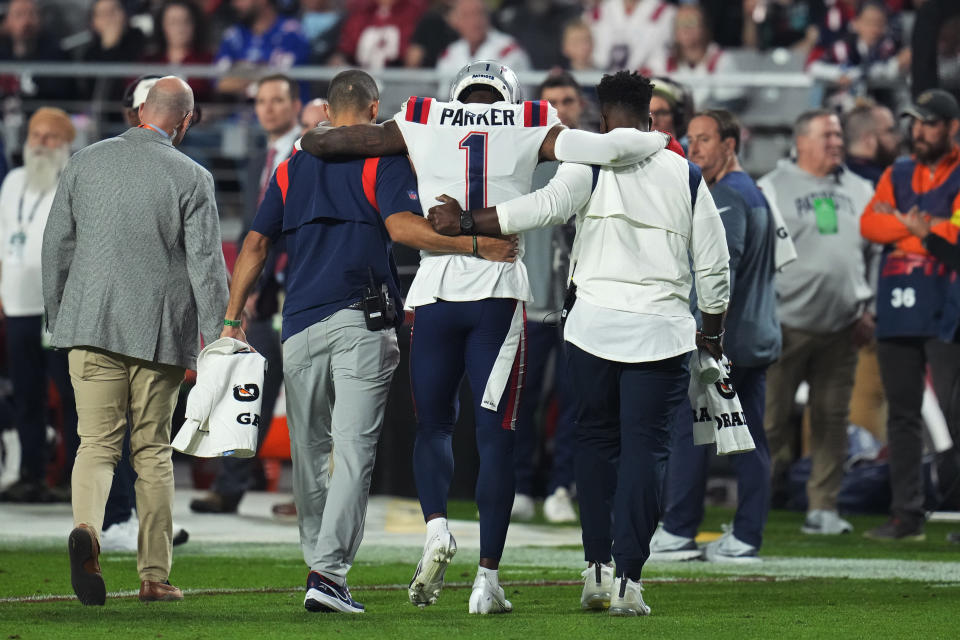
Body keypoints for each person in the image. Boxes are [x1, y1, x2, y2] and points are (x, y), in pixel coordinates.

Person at [299, 60, 669, 614]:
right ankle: (486, 579)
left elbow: (329, 145)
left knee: (434, 426)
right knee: (498, 438)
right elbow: (606, 153)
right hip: (498, 295)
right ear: (507, 94)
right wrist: (657, 139)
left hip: (433, 291)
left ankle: (436, 529)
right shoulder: (532, 117)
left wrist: (314, 133)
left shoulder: (423, 115)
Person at [426, 70, 730, 617]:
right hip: (661, 334)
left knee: (594, 445)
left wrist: (464, 221)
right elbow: (714, 268)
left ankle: (595, 571)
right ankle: (629, 584)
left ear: (601, 118)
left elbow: (538, 209)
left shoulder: (586, 163)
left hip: (591, 331)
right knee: (646, 453)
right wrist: (711, 335)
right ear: (652, 117)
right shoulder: (686, 175)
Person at [225, 68, 518, 614]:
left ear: (331, 110)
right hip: (360, 318)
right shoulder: (380, 158)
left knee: (309, 455)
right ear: (374, 107)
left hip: (299, 325)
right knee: (353, 450)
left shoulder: (291, 165)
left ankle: (319, 566)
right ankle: (328, 573)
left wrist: (230, 318)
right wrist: (477, 245)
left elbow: (256, 244)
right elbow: (404, 228)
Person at [42, 77, 228, 605]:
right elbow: (207, 270)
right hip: (158, 334)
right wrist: (217, 340)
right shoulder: (193, 177)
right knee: (151, 453)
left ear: (139, 111)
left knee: (96, 444)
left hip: (89, 326)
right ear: (186, 120)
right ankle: (154, 576)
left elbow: (56, 244)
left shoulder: (85, 161)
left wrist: (61, 317)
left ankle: (88, 531)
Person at [651, 109, 779, 562]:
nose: (696, 146)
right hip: (757, 334)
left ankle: (679, 530)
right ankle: (745, 535)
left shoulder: (726, 195)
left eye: (706, 139)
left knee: (695, 432)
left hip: (728, 343)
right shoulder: (758, 193)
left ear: (731, 143)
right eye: (692, 138)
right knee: (748, 439)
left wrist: (707, 335)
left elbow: (722, 268)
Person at [758, 109, 876, 535]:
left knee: (831, 420)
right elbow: (755, 258)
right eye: (827, 135)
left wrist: (870, 307)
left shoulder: (861, 189)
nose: (837, 142)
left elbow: (876, 252)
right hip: (784, 324)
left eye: (839, 135)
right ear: (802, 141)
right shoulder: (771, 188)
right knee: (770, 421)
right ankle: (758, 504)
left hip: (844, 326)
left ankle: (824, 507)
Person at [190, 74, 300, 516]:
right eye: (262, 101)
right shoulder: (260, 158)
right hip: (264, 295)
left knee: (306, 400)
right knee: (247, 390)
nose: (269, 108)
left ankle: (306, 494)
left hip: (294, 288)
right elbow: (256, 228)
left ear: (295, 104)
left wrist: (263, 282)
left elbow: (292, 229)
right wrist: (248, 287)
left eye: (278, 100)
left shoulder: (305, 152)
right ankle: (231, 484)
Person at [860, 89, 960, 541]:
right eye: (914, 123)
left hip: (947, 309)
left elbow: (955, 236)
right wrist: (917, 226)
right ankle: (906, 515)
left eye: (929, 123)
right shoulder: (898, 171)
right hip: (898, 308)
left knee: (955, 414)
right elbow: (870, 224)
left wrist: (902, 226)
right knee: (902, 415)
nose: (918, 132)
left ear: (951, 127)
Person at [510, 72, 585, 524]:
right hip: (532, 299)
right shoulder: (523, 159)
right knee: (523, 398)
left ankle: (561, 485)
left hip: (579, 306)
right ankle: (521, 484)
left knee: (575, 399)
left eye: (568, 99)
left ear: (580, 105)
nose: (560, 107)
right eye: (551, 100)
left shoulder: (593, 158)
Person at [0, 108, 78, 504]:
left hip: (59, 310)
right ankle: (30, 474)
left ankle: (72, 479)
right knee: (27, 395)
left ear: (66, 145)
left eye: (50, 137)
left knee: (71, 397)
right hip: (16, 303)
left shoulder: (75, 182)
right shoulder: (13, 181)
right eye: (35, 134)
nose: (40, 143)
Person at [215, 0, 310, 97]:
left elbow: (281, 80)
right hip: (240, 110)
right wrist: (260, 72)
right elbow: (219, 82)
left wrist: (241, 72)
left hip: (285, 109)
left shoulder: (291, 32)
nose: (235, 4)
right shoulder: (233, 35)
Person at [435, 0, 530, 84]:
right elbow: (443, 94)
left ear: (488, 17)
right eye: (467, 15)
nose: (475, 21)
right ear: (455, 22)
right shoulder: (450, 53)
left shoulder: (508, 49)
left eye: (479, 13)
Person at [142, 0, 215, 102]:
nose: (180, 28)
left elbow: (219, 102)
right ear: (162, 26)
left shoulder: (209, 60)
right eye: (173, 22)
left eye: (186, 21)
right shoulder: (149, 61)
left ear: (195, 25)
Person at [0, 0, 69, 101]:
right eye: (19, 15)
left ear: (40, 19)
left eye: (32, 14)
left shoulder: (56, 55)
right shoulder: (2, 56)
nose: (26, 21)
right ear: (7, 22)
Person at [81, 0, 147, 102]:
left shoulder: (139, 40)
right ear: (94, 23)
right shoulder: (89, 53)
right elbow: (95, 93)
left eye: (114, 11)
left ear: (124, 14)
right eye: (103, 14)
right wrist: (108, 48)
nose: (110, 18)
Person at [331, 0, 426, 70]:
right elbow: (345, 49)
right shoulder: (360, 12)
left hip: (397, 80)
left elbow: (414, 54)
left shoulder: (416, 12)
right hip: (360, 80)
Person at [587, 0, 676, 72]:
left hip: (647, 83)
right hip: (599, 80)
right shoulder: (599, 11)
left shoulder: (666, 13)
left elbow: (667, 54)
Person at [843, 102, 901, 186]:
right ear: (868, 139)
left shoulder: (827, 177)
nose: (897, 138)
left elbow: (819, 199)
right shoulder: (884, 184)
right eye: (890, 131)